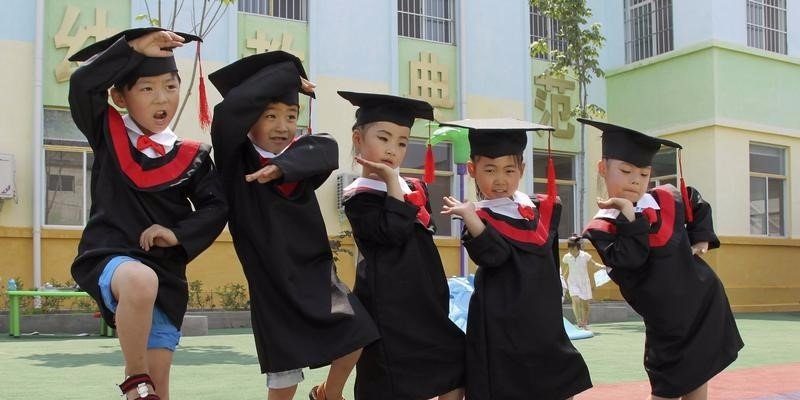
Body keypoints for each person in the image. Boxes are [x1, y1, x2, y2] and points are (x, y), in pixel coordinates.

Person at [68, 28, 228, 399]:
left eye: (170, 86)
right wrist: (132, 48)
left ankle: (143, 383)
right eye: (147, 88)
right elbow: (81, 86)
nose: (162, 99)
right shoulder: (107, 133)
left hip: (166, 273)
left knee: (160, 390)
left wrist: (178, 234)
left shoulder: (193, 156)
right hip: (112, 255)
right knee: (140, 282)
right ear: (119, 95)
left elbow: (216, 205)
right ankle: (133, 376)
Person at [208, 52, 379, 400]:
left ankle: (329, 393)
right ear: (248, 119)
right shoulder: (234, 162)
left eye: (291, 115)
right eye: (270, 116)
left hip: (315, 273)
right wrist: (285, 74)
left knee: (359, 331)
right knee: (285, 374)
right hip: (271, 281)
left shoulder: (299, 159)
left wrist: (281, 168)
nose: (283, 126)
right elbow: (226, 114)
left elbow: (326, 149)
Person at [578, 118, 744, 400]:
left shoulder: (664, 199)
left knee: (698, 376)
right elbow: (631, 260)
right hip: (667, 319)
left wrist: (700, 237)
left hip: (704, 301)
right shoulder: (602, 227)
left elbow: (695, 201)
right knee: (666, 384)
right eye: (626, 170)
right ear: (603, 169)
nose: (635, 180)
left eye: (643, 174)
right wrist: (628, 215)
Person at [440, 118, 592, 400]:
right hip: (500, 319)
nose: (500, 180)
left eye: (509, 170)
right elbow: (494, 256)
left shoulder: (537, 209)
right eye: (489, 170)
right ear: (472, 170)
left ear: (521, 169)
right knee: (505, 383)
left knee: (555, 379)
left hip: (541, 316)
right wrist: (471, 217)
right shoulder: (478, 216)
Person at [339, 91, 465, 400]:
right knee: (394, 383)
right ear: (358, 138)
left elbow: (424, 237)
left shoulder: (415, 188)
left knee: (455, 367)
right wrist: (394, 183)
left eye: (402, 142)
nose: (392, 150)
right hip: (389, 306)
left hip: (424, 299)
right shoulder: (359, 196)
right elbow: (392, 233)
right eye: (383, 138)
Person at [561, 234, 605, 329]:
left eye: (573, 249)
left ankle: (585, 322)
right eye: (570, 249)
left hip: (584, 283)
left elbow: (593, 264)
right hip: (573, 282)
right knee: (576, 300)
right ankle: (579, 321)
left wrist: (602, 266)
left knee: (585, 305)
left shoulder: (585, 256)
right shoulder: (567, 257)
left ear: (578, 247)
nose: (571, 251)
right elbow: (565, 269)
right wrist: (562, 279)